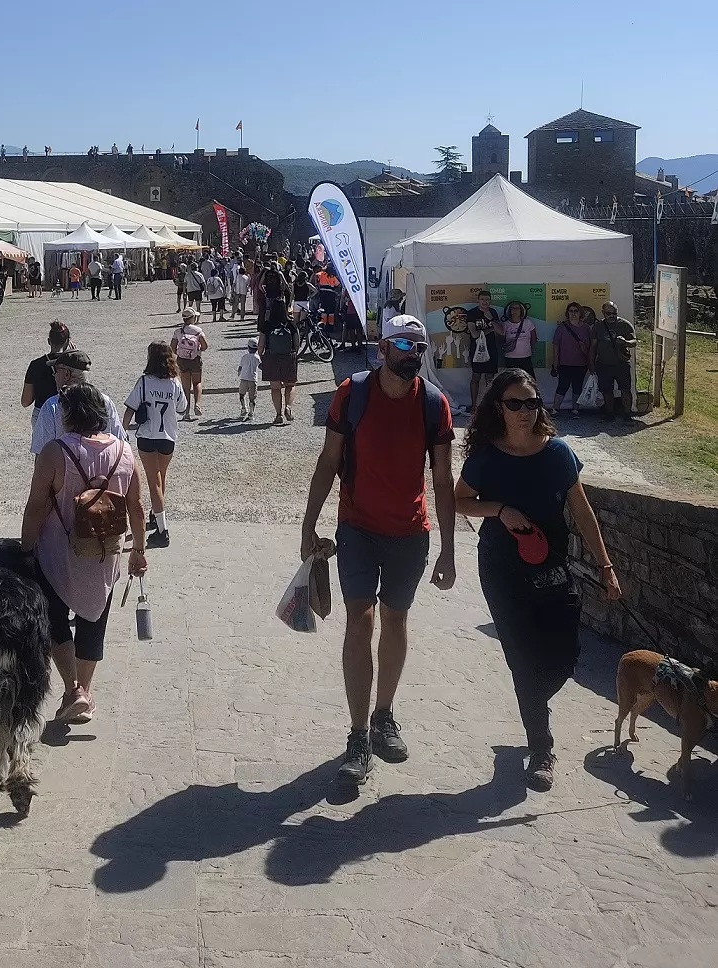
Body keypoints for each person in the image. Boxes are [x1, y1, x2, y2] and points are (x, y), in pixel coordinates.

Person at [301, 314, 457, 786]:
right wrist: (308, 525)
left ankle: (384, 715)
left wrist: (449, 549)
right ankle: (358, 734)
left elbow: (444, 480)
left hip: (410, 532)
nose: (413, 355)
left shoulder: (434, 404)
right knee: (359, 619)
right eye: (404, 346)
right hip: (358, 528)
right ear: (383, 347)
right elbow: (329, 461)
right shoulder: (354, 393)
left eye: (419, 348)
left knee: (395, 619)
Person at [455, 369, 621, 790]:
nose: (525, 411)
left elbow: (582, 512)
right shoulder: (487, 457)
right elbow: (460, 501)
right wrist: (499, 510)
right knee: (523, 659)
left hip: (552, 569)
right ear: (499, 407)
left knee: (565, 653)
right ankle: (541, 747)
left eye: (531, 402)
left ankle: (531, 700)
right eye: (515, 403)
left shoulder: (559, 453)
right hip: (502, 571)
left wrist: (606, 566)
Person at [20, 382, 147, 723]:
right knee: (94, 621)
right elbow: (136, 506)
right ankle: (85, 693)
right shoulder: (124, 451)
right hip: (105, 553)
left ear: (67, 414)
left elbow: (36, 507)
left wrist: (26, 549)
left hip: (56, 553)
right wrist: (139, 549)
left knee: (55, 622)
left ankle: (73, 688)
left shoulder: (54, 451)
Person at [122, 342, 187, 549]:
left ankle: (162, 530)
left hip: (148, 436)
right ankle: (155, 515)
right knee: (161, 477)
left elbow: (130, 408)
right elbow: (182, 407)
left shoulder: (144, 382)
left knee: (153, 482)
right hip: (168, 437)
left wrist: (122, 431)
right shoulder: (174, 383)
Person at [31, 350, 125, 453]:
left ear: (67, 374)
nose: (54, 375)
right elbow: (121, 442)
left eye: (56, 371)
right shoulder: (105, 401)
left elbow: (42, 451)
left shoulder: (52, 406)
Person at [589, 301, 636, 421]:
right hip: (603, 364)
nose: (612, 316)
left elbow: (634, 342)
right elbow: (593, 346)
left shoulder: (625, 324)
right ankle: (609, 414)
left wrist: (625, 342)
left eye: (614, 313)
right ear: (603, 313)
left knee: (625, 390)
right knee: (606, 391)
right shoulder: (598, 326)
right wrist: (591, 363)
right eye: (609, 313)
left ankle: (627, 414)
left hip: (621, 364)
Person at [22, 320, 71, 430]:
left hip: (42, 413)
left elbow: (25, 401)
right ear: (67, 342)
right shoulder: (74, 364)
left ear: (49, 341)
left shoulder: (35, 365)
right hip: (67, 414)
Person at [258, 293, 299, 424]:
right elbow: (297, 343)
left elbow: (261, 344)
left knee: (275, 388)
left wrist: (261, 357)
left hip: (271, 357)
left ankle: (278, 414)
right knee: (290, 385)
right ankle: (288, 406)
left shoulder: (267, 324)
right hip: (288, 356)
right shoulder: (290, 324)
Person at [551, 303, 592, 417]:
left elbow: (592, 347)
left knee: (577, 387)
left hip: (581, 363)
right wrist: (555, 361)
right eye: (571, 311)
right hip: (564, 363)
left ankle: (575, 410)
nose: (573, 313)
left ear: (580, 313)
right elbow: (556, 346)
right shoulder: (562, 327)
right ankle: (555, 410)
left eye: (576, 311)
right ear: (567, 313)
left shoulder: (586, 328)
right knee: (562, 386)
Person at [467, 288, 502, 409]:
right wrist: (491, 328)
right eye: (482, 299)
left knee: (490, 379)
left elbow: (501, 332)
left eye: (487, 299)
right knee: (475, 377)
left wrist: (491, 319)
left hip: (491, 349)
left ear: (490, 301)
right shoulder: (472, 313)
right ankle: (473, 406)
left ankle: (489, 406)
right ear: (478, 300)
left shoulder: (493, 312)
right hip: (477, 350)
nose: (485, 302)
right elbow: (474, 334)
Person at [172, 308, 209, 419]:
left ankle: (186, 411)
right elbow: (205, 346)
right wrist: (197, 351)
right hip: (195, 359)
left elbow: (172, 347)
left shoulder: (178, 331)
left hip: (182, 360)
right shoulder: (197, 330)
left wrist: (180, 353)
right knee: (197, 382)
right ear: (192, 318)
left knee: (185, 387)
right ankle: (197, 404)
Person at [501, 301, 537, 376]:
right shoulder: (505, 324)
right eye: (512, 308)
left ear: (521, 310)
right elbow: (502, 340)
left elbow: (533, 338)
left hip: (525, 357)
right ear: (509, 311)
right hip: (510, 357)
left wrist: (527, 348)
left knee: (530, 381)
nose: (515, 310)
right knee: (512, 382)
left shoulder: (528, 322)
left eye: (517, 308)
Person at [236, 338, 261, 419]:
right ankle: (251, 412)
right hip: (253, 379)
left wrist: (239, 374)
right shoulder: (257, 358)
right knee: (252, 397)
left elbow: (240, 367)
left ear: (248, 347)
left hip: (244, 378)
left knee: (242, 395)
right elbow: (261, 366)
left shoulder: (244, 357)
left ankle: (244, 408)